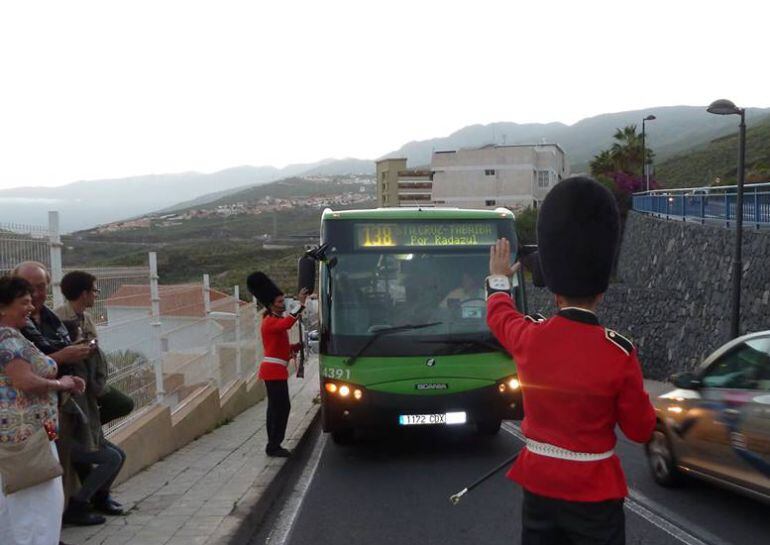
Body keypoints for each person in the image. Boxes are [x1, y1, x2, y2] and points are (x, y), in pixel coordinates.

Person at [485, 177, 657, 545]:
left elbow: (500, 316)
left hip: (539, 491)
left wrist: (498, 280)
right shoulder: (618, 353)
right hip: (595, 493)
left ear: (555, 286)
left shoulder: (530, 338)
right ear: (601, 287)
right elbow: (640, 430)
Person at [0, 275, 85, 545]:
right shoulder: (7, 340)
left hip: (17, 438)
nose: (30, 306)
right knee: (38, 507)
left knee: (16, 509)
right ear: (3, 307)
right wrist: (61, 383)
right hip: (27, 438)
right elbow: (24, 381)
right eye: (23, 302)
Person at [55, 271, 127, 520]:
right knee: (109, 456)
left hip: (86, 401)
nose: (96, 295)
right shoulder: (60, 320)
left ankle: (99, 496)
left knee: (118, 452)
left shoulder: (85, 319)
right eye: (94, 291)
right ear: (84, 293)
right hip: (71, 404)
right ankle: (80, 503)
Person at [247, 272, 307, 457]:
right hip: (273, 371)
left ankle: (273, 443)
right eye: (280, 302)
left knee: (276, 408)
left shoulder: (274, 321)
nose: (282, 305)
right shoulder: (270, 322)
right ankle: (274, 445)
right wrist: (301, 303)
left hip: (276, 370)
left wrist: (294, 347)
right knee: (280, 408)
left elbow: (278, 346)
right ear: (271, 304)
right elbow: (288, 324)